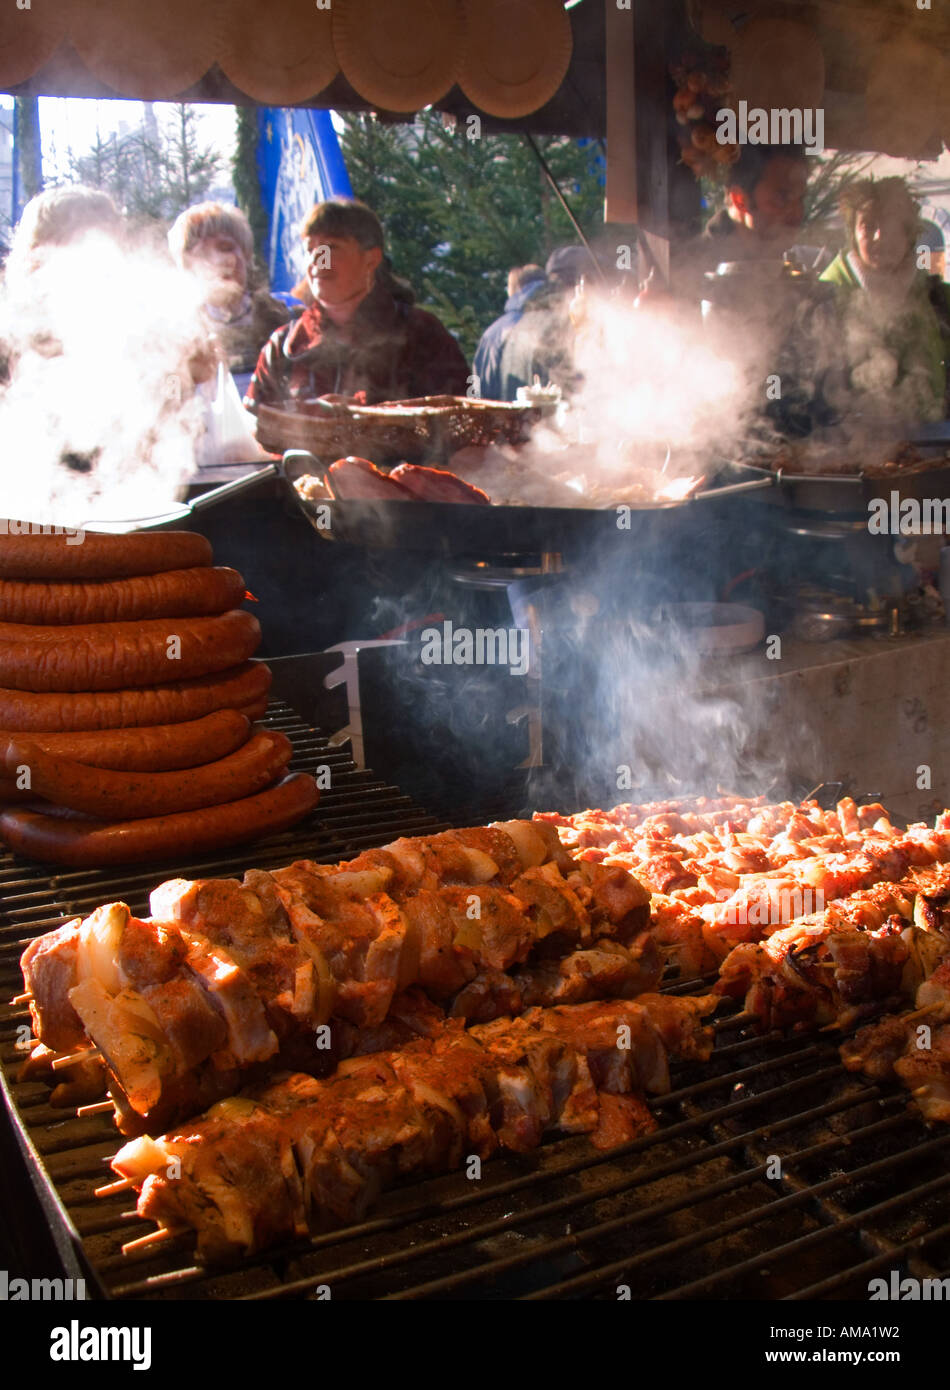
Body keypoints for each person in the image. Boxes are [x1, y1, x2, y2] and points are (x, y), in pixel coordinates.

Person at [244, 198, 469, 412]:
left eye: (331, 247)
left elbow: (459, 421)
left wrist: (364, 419)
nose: (317, 261)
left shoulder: (422, 335)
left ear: (371, 259)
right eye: (310, 249)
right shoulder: (285, 345)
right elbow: (253, 431)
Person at [819, 177, 950, 421]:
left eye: (892, 224)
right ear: (853, 235)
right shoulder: (822, 298)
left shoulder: (938, 298)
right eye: (868, 225)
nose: (880, 236)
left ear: (909, 232)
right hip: (848, 448)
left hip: (932, 446)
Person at [167, 201, 290, 396]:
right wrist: (186, 375)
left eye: (226, 247)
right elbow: (163, 401)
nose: (220, 260)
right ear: (187, 264)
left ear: (246, 253)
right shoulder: (176, 332)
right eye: (205, 253)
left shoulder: (281, 319)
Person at [495, 245, 599, 400]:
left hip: (520, 422)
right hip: (552, 422)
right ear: (578, 288)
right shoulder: (562, 328)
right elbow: (577, 394)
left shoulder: (521, 323)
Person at [472, 263, 546, 401]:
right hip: (546, 418)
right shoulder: (557, 323)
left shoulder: (491, 334)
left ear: (515, 289)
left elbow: (475, 390)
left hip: (498, 417)